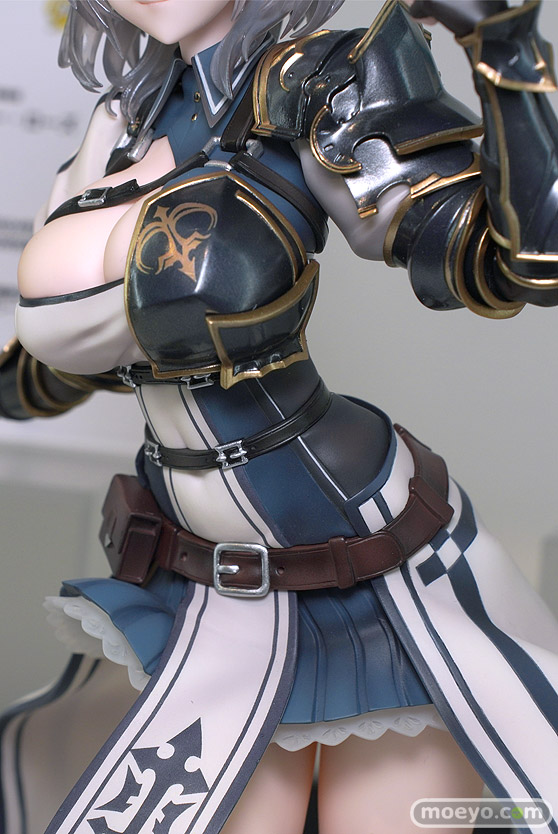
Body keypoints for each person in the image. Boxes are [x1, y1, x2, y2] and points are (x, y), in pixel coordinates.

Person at [2, 1, 558, 833]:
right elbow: (46, 371)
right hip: (206, 575)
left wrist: (505, 49)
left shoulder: (318, 87)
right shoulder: (120, 124)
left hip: (363, 562)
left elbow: (508, 262)